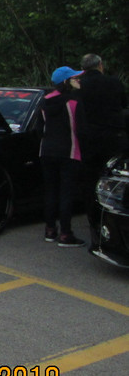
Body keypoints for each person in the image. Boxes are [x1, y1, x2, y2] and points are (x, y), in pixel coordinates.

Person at [76, 53, 128, 251]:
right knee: (116, 182)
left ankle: (95, 226)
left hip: (90, 140)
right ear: (100, 65)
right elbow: (123, 104)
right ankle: (116, 223)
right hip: (114, 138)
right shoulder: (113, 83)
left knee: (90, 183)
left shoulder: (80, 87)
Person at [40, 66, 85, 247]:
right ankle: (66, 234)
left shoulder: (44, 101)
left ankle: (50, 229)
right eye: (75, 78)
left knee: (50, 190)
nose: (78, 81)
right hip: (69, 150)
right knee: (66, 192)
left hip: (46, 151)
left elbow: (39, 128)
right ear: (66, 82)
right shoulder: (73, 102)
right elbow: (81, 128)